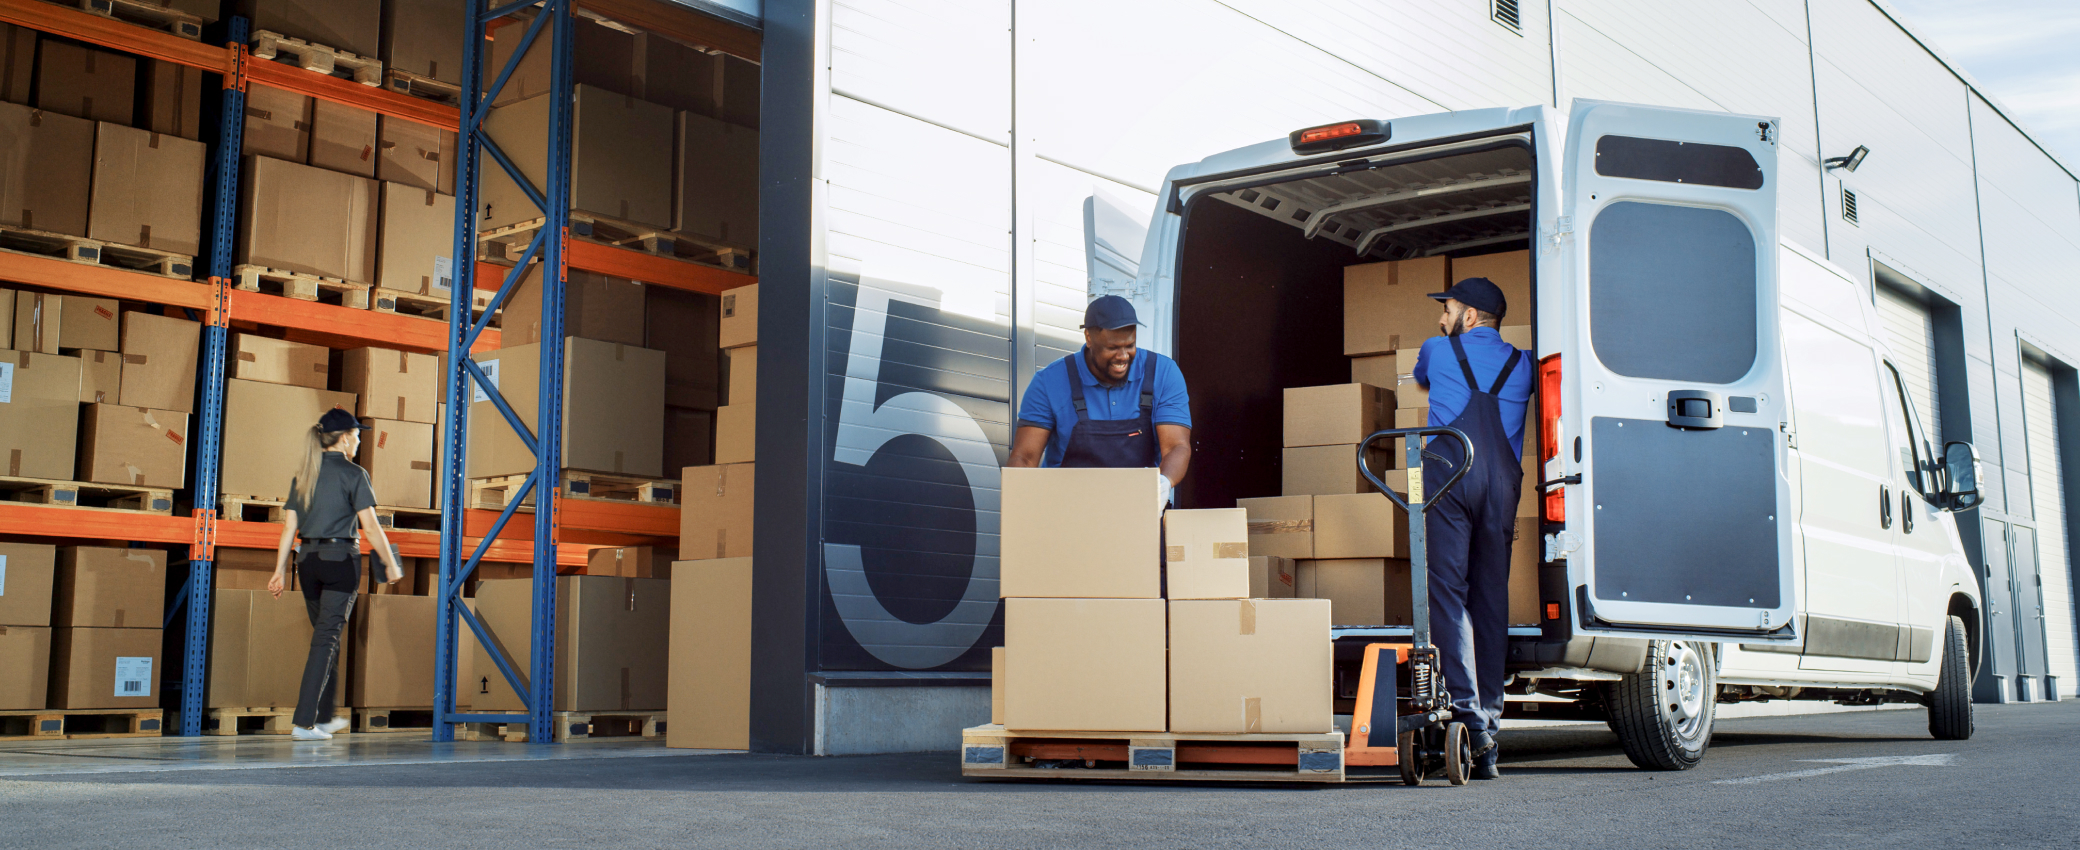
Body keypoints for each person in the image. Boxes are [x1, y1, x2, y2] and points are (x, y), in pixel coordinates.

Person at [1409, 275, 1533, 781]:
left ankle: (1467, 716)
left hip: (1449, 476)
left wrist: (1446, 345)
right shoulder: (1523, 362)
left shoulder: (1437, 350)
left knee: (1447, 590)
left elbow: (1419, 379)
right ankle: (1492, 720)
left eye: (1450, 308)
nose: (1443, 316)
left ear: (1472, 316)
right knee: (1490, 597)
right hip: (1502, 482)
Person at [267, 408, 406, 742]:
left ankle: (324, 717)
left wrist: (279, 572)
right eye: (357, 434)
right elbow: (370, 526)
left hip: (309, 564)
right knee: (326, 640)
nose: (358, 440)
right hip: (340, 562)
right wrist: (391, 562)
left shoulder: (304, 474)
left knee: (326, 638)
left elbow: (289, 529)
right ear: (344, 438)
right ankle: (303, 723)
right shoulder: (354, 473)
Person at [1006, 295, 1192, 506]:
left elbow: (1177, 446)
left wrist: (1164, 482)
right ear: (1088, 338)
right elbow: (1025, 458)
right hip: (1065, 512)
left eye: (1130, 345)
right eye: (1112, 348)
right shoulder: (1049, 382)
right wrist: (1018, 511)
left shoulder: (1163, 373)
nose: (1123, 356)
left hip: (1139, 508)